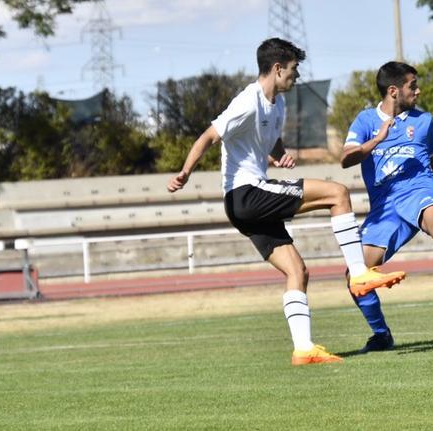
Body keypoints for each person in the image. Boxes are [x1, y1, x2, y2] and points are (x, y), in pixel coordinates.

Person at [167, 38, 406, 365]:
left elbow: (266, 139)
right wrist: (184, 172)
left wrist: (279, 156)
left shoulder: (277, 104)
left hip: (246, 203)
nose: (296, 76)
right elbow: (209, 135)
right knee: (338, 193)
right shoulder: (247, 101)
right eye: (293, 70)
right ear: (277, 69)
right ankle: (359, 273)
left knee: (297, 271)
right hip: (246, 194)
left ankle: (304, 349)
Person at [340, 61, 433, 353]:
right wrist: (378, 140)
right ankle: (381, 334)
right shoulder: (366, 121)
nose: (418, 91)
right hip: (384, 208)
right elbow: (346, 159)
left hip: (421, 192)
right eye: (412, 86)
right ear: (393, 91)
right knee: (355, 276)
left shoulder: (424, 122)